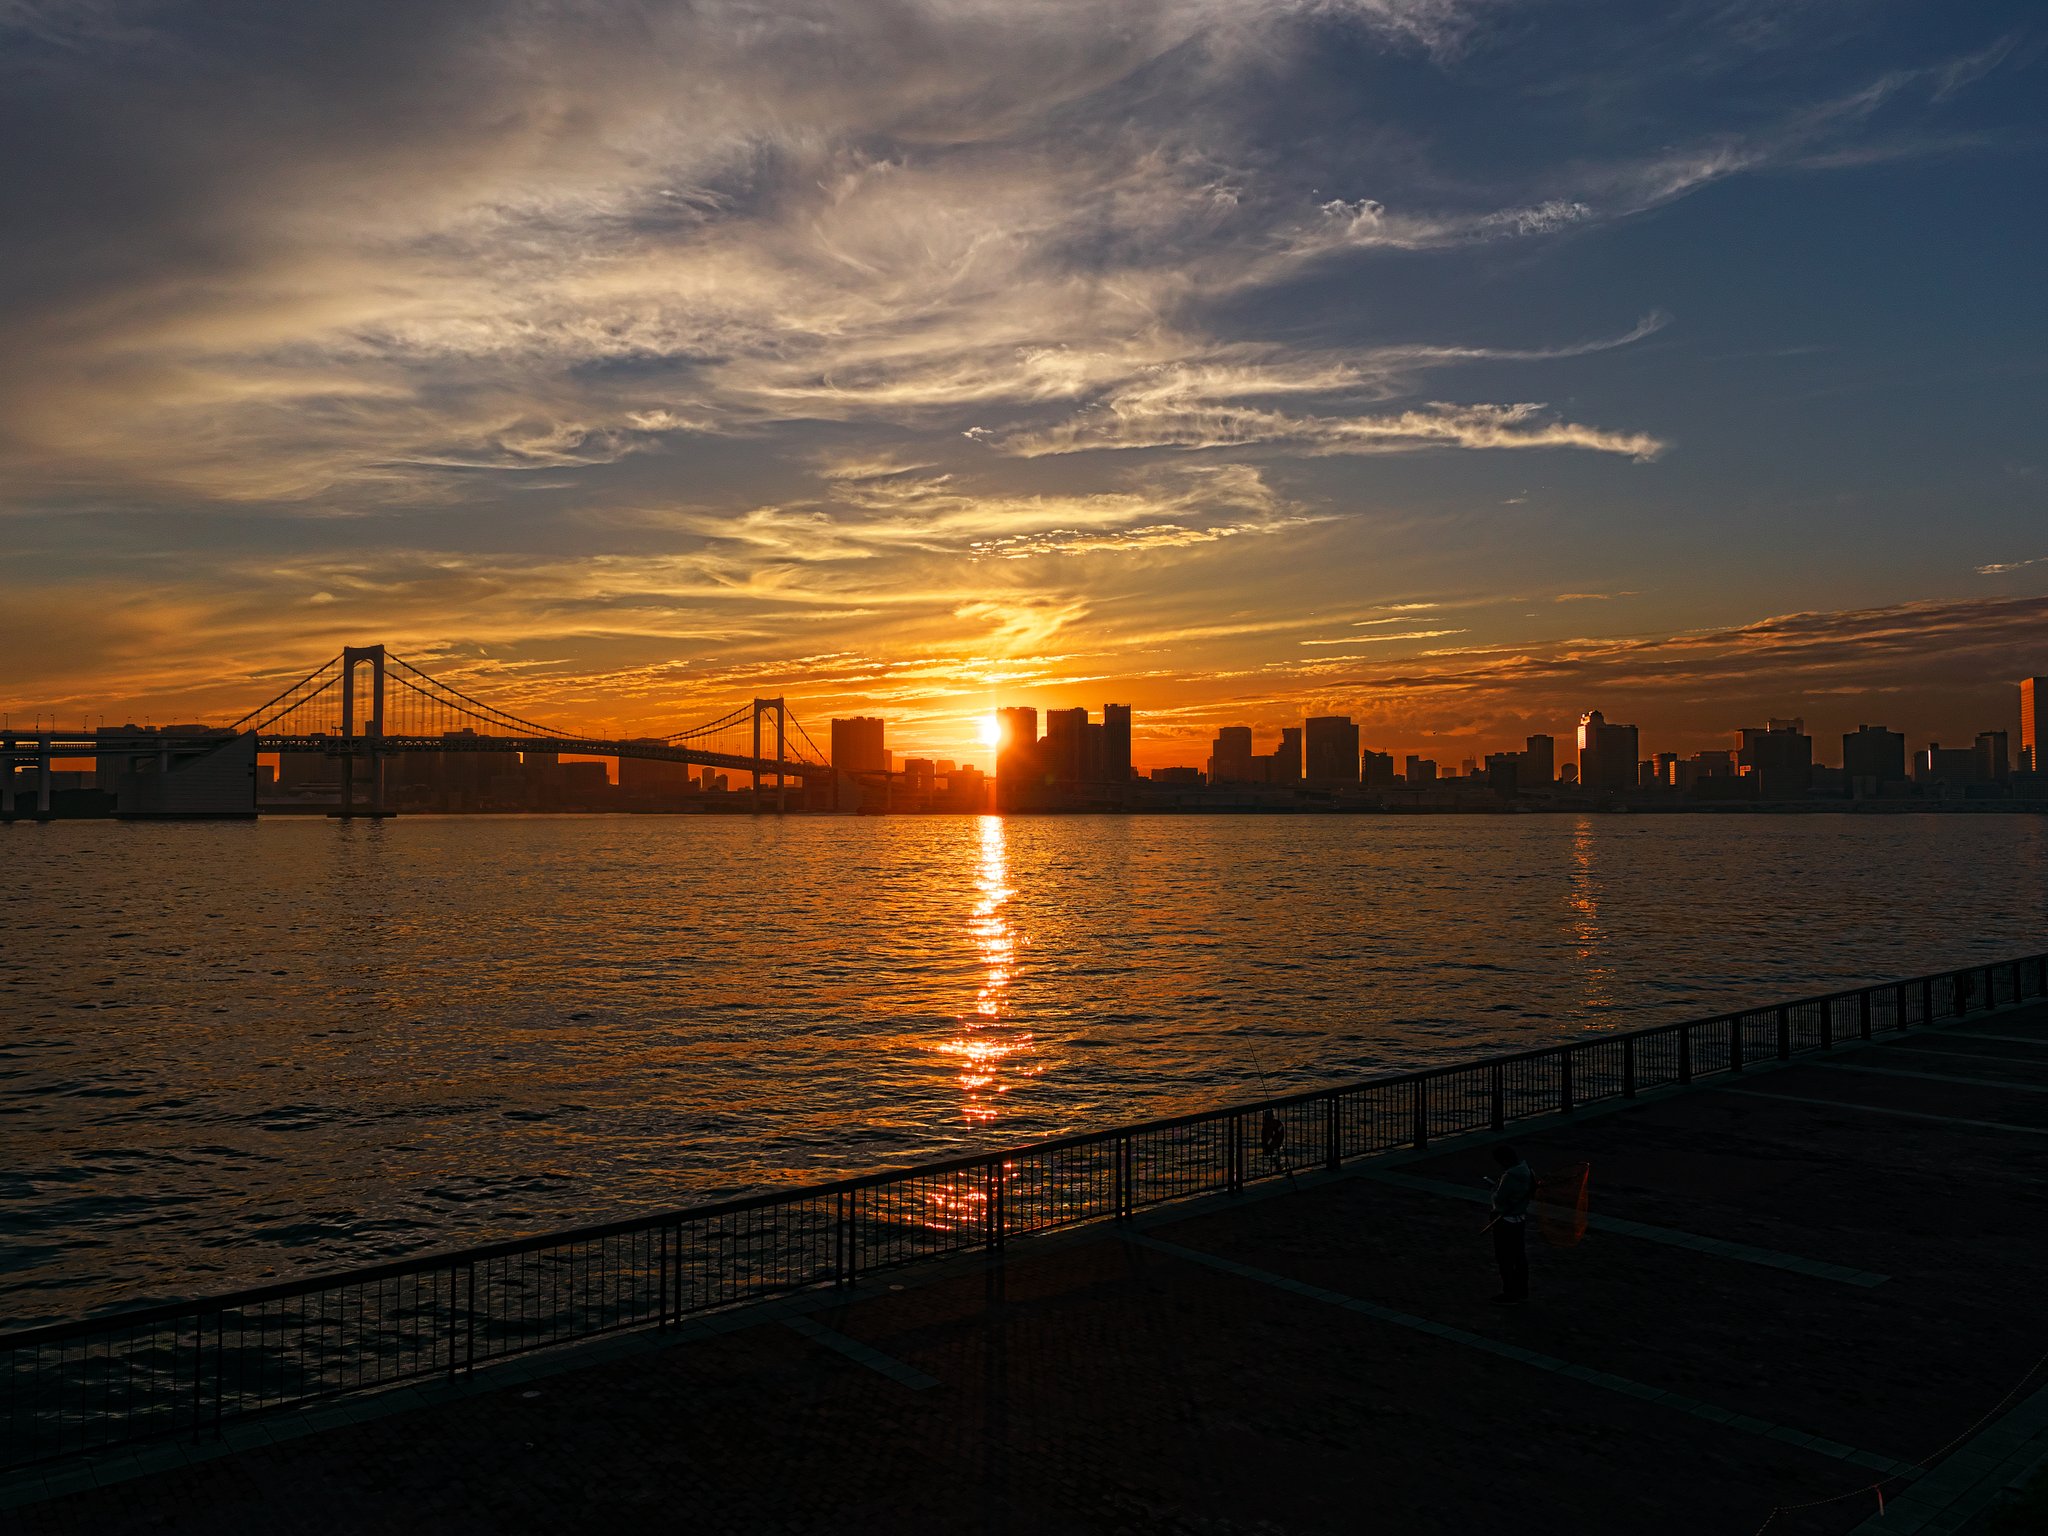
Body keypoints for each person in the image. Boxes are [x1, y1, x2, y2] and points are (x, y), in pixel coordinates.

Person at [1487, 1144, 1535, 1303]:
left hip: (1505, 1220)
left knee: (1504, 1257)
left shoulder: (1509, 1176)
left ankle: (1509, 1291)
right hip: (1520, 1218)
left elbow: (1499, 1199)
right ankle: (1522, 1290)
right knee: (1519, 1255)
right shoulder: (1528, 1171)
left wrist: (1494, 1190)